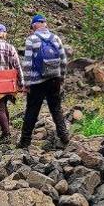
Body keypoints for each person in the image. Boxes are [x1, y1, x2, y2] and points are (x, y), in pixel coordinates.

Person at [21, 14, 71, 149]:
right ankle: (64, 136)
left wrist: (26, 83)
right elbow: (64, 60)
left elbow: (27, 64)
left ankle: (25, 142)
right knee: (56, 108)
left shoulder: (31, 39)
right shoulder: (55, 38)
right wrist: (61, 77)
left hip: (37, 82)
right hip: (54, 79)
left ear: (34, 25)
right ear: (45, 24)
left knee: (32, 110)